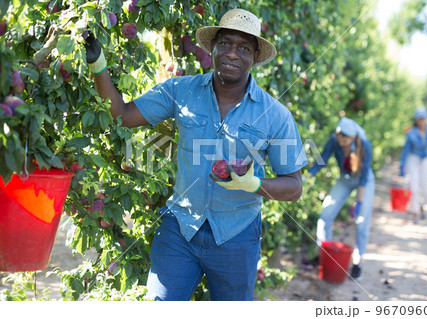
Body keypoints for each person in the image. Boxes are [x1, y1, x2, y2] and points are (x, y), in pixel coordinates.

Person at [84, 9, 307, 301]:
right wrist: (98, 65)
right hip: (180, 229)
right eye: (225, 43)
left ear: (254, 57)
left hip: (236, 235)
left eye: (243, 48)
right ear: (212, 48)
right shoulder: (181, 90)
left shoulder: (275, 115)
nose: (232, 54)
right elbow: (122, 116)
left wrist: (252, 184)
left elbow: (294, 186)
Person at [308, 117, 375, 281]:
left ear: (353, 138)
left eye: (346, 140)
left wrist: (359, 202)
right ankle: (324, 254)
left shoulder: (364, 144)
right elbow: (322, 159)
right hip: (345, 179)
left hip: (362, 181)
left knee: (362, 221)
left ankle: (358, 263)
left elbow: (364, 175)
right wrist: (307, 176)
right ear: (337, 134)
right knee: (326, 213)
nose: (342, 142)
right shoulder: (334, 140)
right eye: (340, 138)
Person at [400, 107, 427, 223]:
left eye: (423, 119)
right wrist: (402, 165)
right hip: (413, 158)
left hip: (426, 159)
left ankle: (422, 204)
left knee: (426, 187)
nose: (421, 121)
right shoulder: (411, 133)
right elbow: (406, 149)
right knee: (414, 185)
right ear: (416, 120)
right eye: (419, 119)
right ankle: (414, 212)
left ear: (426, 119)